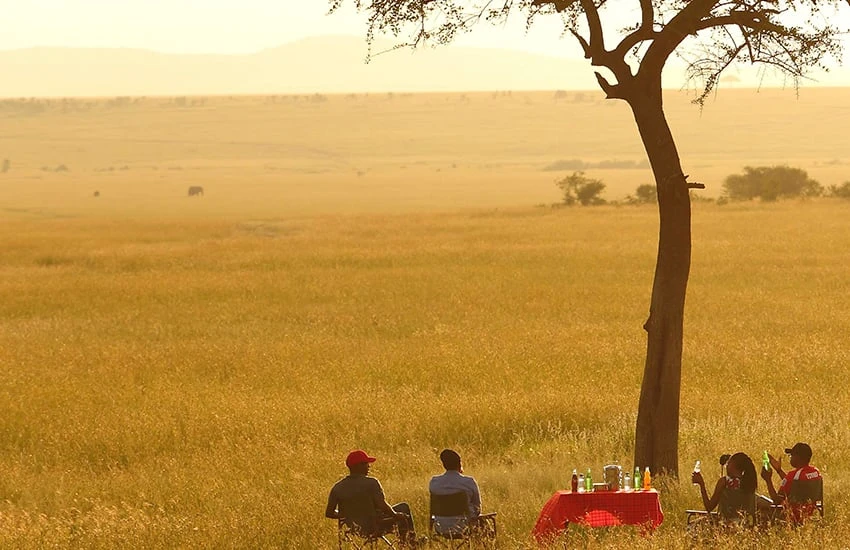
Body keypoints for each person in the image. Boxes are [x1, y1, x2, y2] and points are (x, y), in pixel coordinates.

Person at [325, 449, 418, 546]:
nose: (369, 466)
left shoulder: (337, 487)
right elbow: (382, 505)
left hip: (352, 529)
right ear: (358, 466)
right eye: (366, 463)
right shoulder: (372, 483)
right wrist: (395, 515)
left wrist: (346, 515)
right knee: (404, 507)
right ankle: (409, 545)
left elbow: (329, 513)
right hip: (375, 527)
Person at [429, 449, 492, 537]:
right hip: (464, 526)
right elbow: (478, 509)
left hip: (440, 527)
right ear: (459, 463)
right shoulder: (469, 482)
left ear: (444, 464)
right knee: (483, 523)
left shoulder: (434, 482)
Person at [760, 442, 822, 524]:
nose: (790, 458)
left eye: (791, 455)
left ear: (799, 458)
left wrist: (768, 480)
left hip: (791, 515)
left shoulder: (792, 475)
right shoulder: (815, 472)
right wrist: (779, 470)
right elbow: (793, 484)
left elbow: (776, 500)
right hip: (807, 513)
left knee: (759, 503)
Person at [691, 452, 757, 525]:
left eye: (728, 463)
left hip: (726, 525)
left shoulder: (725, 482)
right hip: (745, 525)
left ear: (733, 465)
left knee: (693, 524)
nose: (726, 466)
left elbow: (709, 507)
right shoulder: (750, 483)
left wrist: (701, 484)